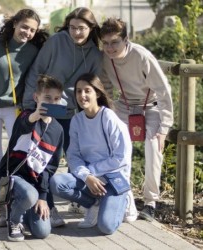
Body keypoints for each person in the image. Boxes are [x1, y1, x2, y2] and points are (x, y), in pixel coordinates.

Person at [0, 9, 49, 227]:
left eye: (32, 30)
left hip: (16, 110)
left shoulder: (34, 51)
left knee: (18, 157)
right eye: (24, 27)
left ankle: (18, 203)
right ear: (14, 24)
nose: (27, 32)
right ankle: (0, 205)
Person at [23, 7, 102, 216]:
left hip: (74, 111)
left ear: (91, 28)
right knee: (48, 158)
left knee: (76, 155)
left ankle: (76, 199)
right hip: (48, 106)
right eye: (72, 27)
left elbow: (94, 87)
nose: (76, 32)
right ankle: (47, 204)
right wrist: (29, 104)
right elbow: (37, 69)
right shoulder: (57, 41)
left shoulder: (95, 54)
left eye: (81, 28)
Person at [99, 18, 174, 221]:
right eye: (105, 43)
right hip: (123, 104)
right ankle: (120, 193)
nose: (110, 48)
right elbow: (105, 86)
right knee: (112, 144)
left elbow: (164, 91)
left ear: (126, 39)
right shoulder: (105, 58)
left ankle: (150, 202)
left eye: (114, 42)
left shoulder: (141, 56)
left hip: (151, 106)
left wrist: (165, 127)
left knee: (153, 146)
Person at [50, 73, 133, 234]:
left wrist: (91, 172)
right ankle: (93, 204)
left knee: (106, 227)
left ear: (98, 93)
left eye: (87, 90)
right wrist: (87, 177)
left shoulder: (109, 117)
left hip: (113, 179)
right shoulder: (76, 120)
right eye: (79, 91)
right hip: (89, 178)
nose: (82, 95)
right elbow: (73, 156)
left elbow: (121, 157)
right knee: (56, 182)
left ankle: (124, 200)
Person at [0, 75, 64, 241]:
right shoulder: (26, 116)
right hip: (11, 177)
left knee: (42, 232)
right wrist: (36, 115)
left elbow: (50, 167)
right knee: (29, 195)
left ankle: (22, 208)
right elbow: (23, 125)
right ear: (36, 97)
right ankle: (14, 220)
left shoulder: (58, 130)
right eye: (47, 98)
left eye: (56, 99)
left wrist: (43, 197)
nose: (52, 103)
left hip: (33, 184)